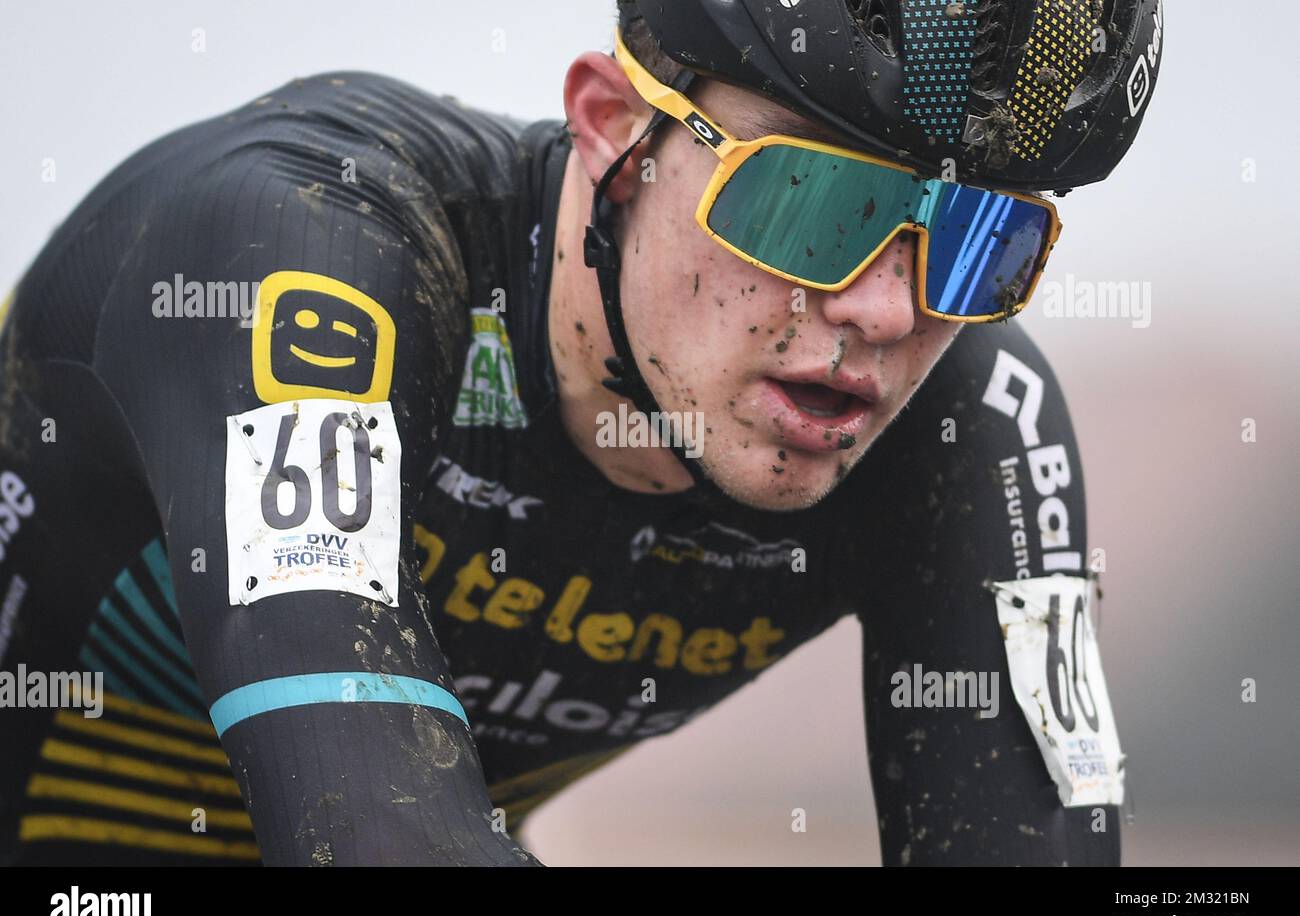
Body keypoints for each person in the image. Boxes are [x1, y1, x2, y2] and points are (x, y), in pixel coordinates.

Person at [0, 0, 1163, 865]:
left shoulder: (969, 417)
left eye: (980, 245)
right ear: (611, 131)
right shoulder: (301, 254)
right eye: (815, 204)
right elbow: (373, 831)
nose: (888, 308)